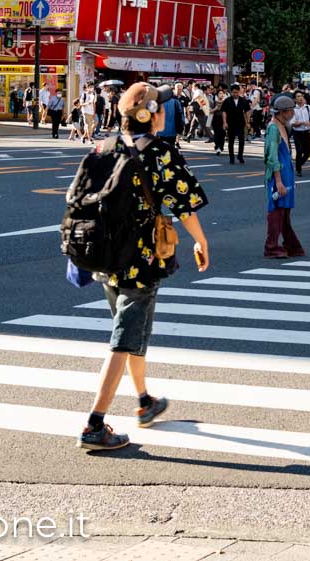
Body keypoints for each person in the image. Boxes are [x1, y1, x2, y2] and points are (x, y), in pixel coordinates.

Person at [77, 82, 210, 452]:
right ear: (147, 115)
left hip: (105, 259)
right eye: (161, 107)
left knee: (132, 333)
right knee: (122, 340)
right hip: (141, 260)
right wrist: (201, 240)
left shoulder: (102, 147)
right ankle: (95, 423)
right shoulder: (160, 152)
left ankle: (144, 400)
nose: (165, 112)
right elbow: (183, 205)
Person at [261, 94, 307, 259]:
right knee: (276, 211)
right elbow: (271, 157)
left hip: (286, 173)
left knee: (284, 212)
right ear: (283, 112)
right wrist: (278, 181)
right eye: (291, 110)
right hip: (278, 175)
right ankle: (271, 247)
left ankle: (292, 246)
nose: (293, 113)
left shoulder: (284, 126)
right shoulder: (273, 128)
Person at [220, 86, 248, 163]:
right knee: (231, 141)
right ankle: (231, 157)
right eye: (233, 92)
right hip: (230, 123)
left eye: (236, 92)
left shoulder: (243, 100)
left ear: (239, 92)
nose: (235, 94)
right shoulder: (227, 101)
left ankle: (240, 156)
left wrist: (247, 122)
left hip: (240, 123)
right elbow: (224, 112)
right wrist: (224, 122)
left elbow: (247, 111)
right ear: (231, 92)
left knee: (241, 140)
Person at [288, 91, 310, 173]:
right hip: (297, 133)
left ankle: (298, 164)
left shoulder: (308, 107)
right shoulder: (293, 109)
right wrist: (303, 122)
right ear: (295, 99)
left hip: (306, 132)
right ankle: (298, 169)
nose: (301, 98)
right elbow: (293, 123)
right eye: (298, 96)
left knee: (307, 152)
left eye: (301, 96)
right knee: (299, 151)